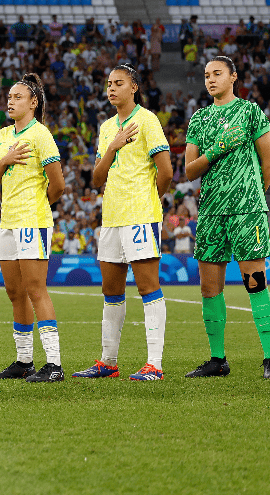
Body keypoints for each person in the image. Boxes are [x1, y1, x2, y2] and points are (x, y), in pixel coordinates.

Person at [73, 64, 173, 381]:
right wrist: (113, 146)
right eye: (108, 84)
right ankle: (108, 362)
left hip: (141, 214)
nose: (112, 88)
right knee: (110, 289)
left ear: (134, 88)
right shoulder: (106, 128)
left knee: (148, 287)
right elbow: (97, 177)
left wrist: (148, 201)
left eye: (119, 83)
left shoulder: (147, 120)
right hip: (112, 216)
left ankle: (154, 364)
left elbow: (167, 172)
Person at [183, 56, 270, 379]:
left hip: (246, 210)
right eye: (207, 75)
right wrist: (218, 149)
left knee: (255, 282)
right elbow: (189, 171)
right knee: (209, 288)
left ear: (233, 77)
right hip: (211, 211)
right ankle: (217, 360)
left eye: (217, 74)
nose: (211, 80)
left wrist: (251, 195)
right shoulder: (199, 119)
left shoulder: (251, 112)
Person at [0, 74, 67, 383]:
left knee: (35, 289)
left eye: (18, 96)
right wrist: (4, 160)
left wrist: (37, 207)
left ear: (33, 102)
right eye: (9, 96)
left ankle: (54, 365)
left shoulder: (41, 134)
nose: (11, 100)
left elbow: (58, 185)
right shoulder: (3, 135)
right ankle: (24, 362)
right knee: (14, 292)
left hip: (32, 221)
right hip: (8, 223)